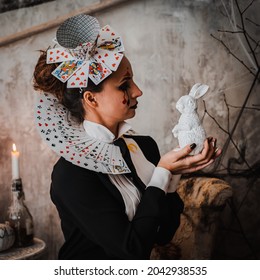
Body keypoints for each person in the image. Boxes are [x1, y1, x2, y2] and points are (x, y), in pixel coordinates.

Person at [33, 14, 221, 260]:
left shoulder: (144, 146)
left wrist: (171, 176)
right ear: (91, 99)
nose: (137, 91)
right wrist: (161, 173)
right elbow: (130, 251)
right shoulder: (71, 174)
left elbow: (164, 234)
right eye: (125, 84)